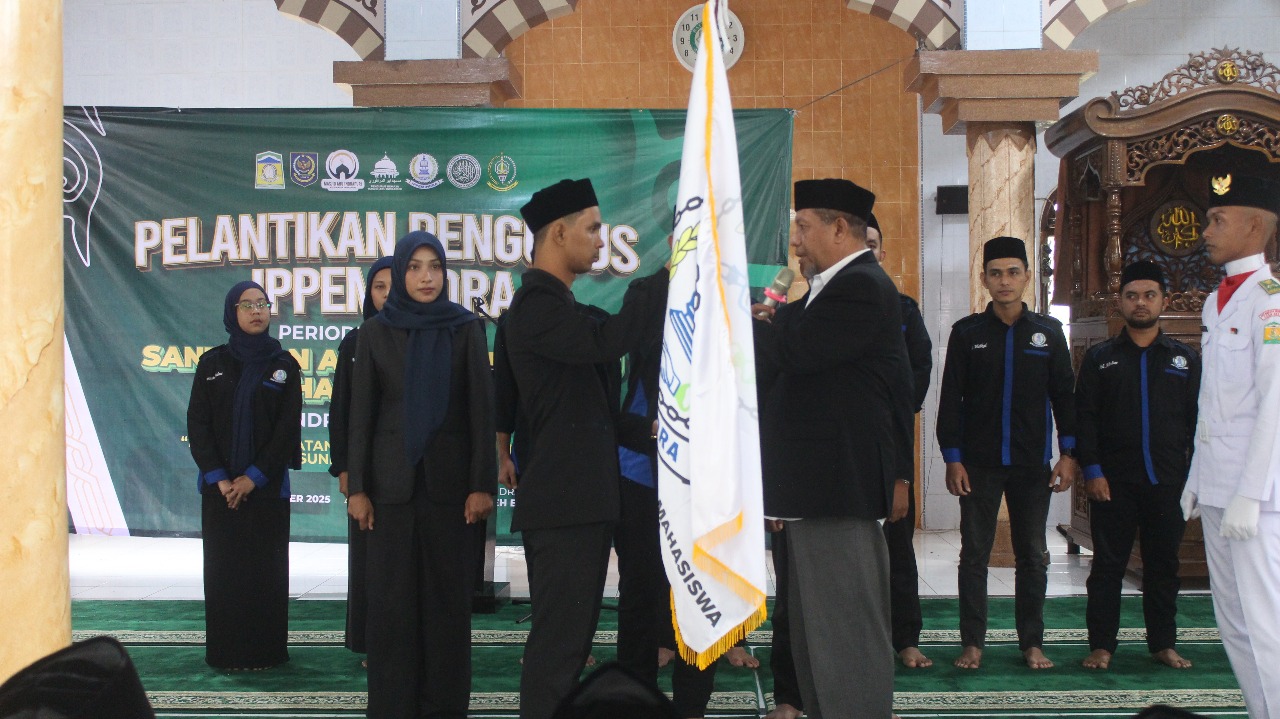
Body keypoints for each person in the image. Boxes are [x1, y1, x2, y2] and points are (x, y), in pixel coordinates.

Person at [504, 178, 669, 719]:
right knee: (558, 649)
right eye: (593, 229)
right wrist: (665, 278)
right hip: (563, 505)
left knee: (570, 646)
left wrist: (651, 432)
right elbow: (608, 343)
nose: (602, 240)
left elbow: (590, 412)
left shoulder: (564, 307)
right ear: (558, 233)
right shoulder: (536, 307)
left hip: (582, 503)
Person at [752, 178, 913, 718]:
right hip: (813, 489)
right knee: (813, 636)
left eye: (803, 226)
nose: (795, 240)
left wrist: (750, 326)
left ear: (839, 228)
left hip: (838, 490)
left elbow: (796, 352)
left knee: (846, 634)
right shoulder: (825, 289)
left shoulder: (861, 286)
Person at [345, 231, 496, 719]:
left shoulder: (465, 328)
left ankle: (444, 708)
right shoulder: (375, 333)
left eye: (434, 267)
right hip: (389, 493)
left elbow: (481, 411)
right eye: (414, 267)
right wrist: (358, 488)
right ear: (401, 274)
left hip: (451, 495)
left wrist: (481, 484)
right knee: (391, 611)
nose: (426, 277)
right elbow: (362, 416)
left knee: (446, 610)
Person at [936, 236, 1079, 671]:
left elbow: (1065, 398)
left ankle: (1032, 643)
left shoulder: (1048, 333)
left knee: (1032, 555)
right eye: (995, 273)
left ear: (1027, 277)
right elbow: (951, 399)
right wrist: (953, 458)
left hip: (1031, 465)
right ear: (984, 279)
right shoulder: (967, 333)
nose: (1004, 281)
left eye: (1013, 272)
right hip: (977, 465)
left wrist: (1068, 454)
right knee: (973, 555)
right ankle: (972, 644)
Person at [1180, 161, 1280, 718]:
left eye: (1218, 219)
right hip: (1218, 487)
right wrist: (1198, 479)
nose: (1206, 230)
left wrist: (1249, 493)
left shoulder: (1270, 301)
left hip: (1255, 498)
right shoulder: (1215, 300)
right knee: (1234, 624)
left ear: (1254, 226)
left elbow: (1274, 405)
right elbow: (1211, 402)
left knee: (1267, 625)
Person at [1076, 260, 1199, 671]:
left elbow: (1198, 423)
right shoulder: (1101, 358)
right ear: (1121, 302)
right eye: (1132, 296)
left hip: (1167, 482)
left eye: (1149, 295)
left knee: (1163, 566)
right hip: (1113, 483)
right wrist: (1092, 471)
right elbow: (1085, 418)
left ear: (1164, 300)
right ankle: (1101, 646)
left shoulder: (1184, 359)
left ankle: (1163, 644)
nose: (1140, 303)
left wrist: (1194, 478)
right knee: (1107, 567)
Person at [186, 281, 301, 670]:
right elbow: (198, 425)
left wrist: (252, 478)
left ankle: (267, 653)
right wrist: (221, 479)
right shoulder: (212, 364)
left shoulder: (284, 365)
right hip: (219, 492)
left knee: (266, 574)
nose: (257, 311)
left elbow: (286, 431)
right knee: (224, 573)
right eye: (247, 305)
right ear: (231, 313)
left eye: (262, 304)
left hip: (266, 491)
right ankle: (226, 652)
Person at [866, 211, 934, 669]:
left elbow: (915, 381)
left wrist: (902, 477)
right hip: (840, 454)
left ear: (883, 253)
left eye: (872, 246)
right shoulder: (822, 309)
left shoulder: (904, 310)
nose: (865, 255)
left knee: (897, 549)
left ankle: (906, 638)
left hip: (890, 448)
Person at [327, 255, 393, 659]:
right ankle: (371, 644)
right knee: (369, 558)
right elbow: (341, 411)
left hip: (407, 470)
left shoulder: (425, 338)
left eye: (393, 286)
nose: (386, 295)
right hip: (365, 471)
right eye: (378, 287)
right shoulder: (355, 342)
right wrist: (345, 468)